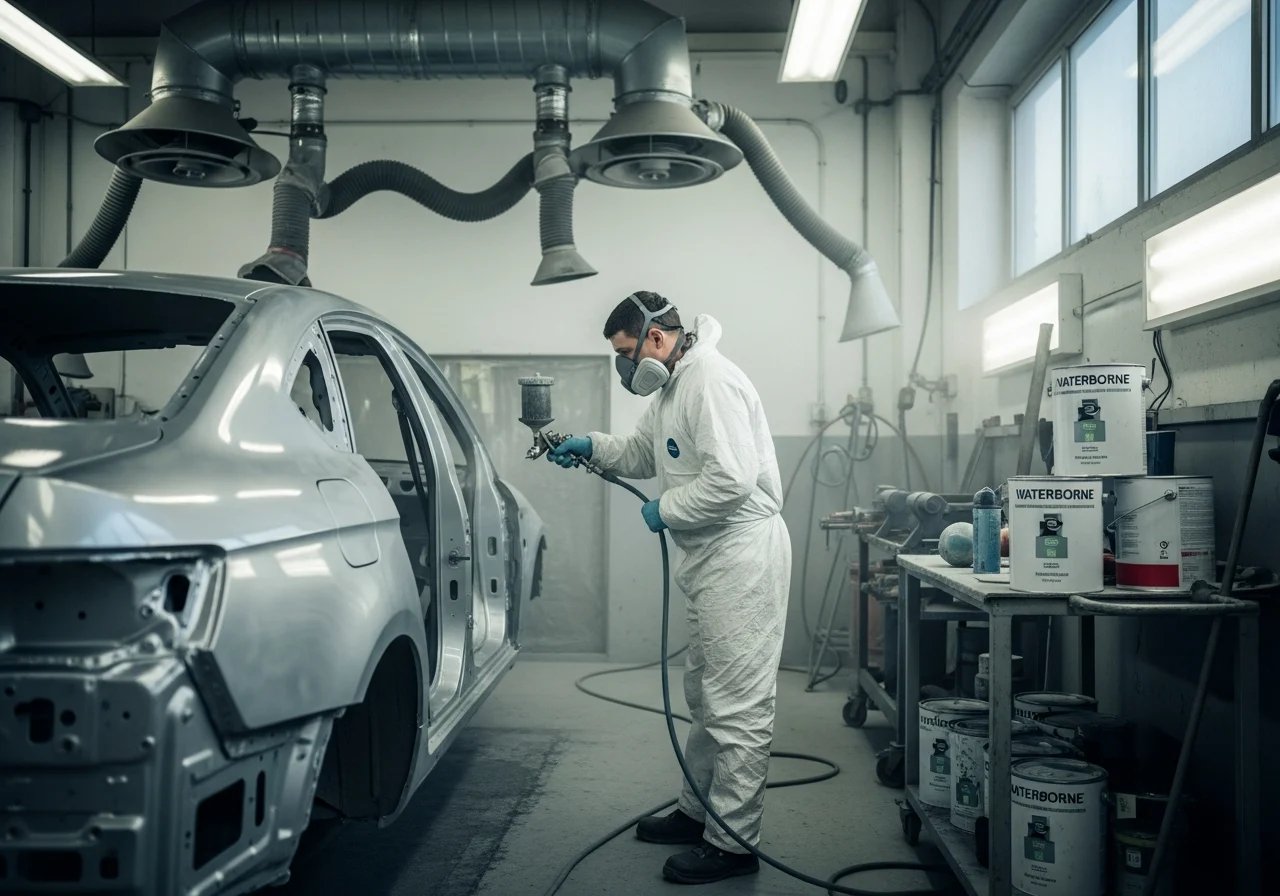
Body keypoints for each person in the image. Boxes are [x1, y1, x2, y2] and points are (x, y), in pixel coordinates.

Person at [549, 291, 792, 885]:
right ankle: (698, 810)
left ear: (656, 339)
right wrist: (591, 445)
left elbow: (732, 481)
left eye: (626, 353)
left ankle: (733, 843)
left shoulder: (711, 381)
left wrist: (667, 508)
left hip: (742, 556)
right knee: (706, 696)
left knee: (738, 705)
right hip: (711, 557)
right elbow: (640, 453)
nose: (625, 367)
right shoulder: (672, 388)